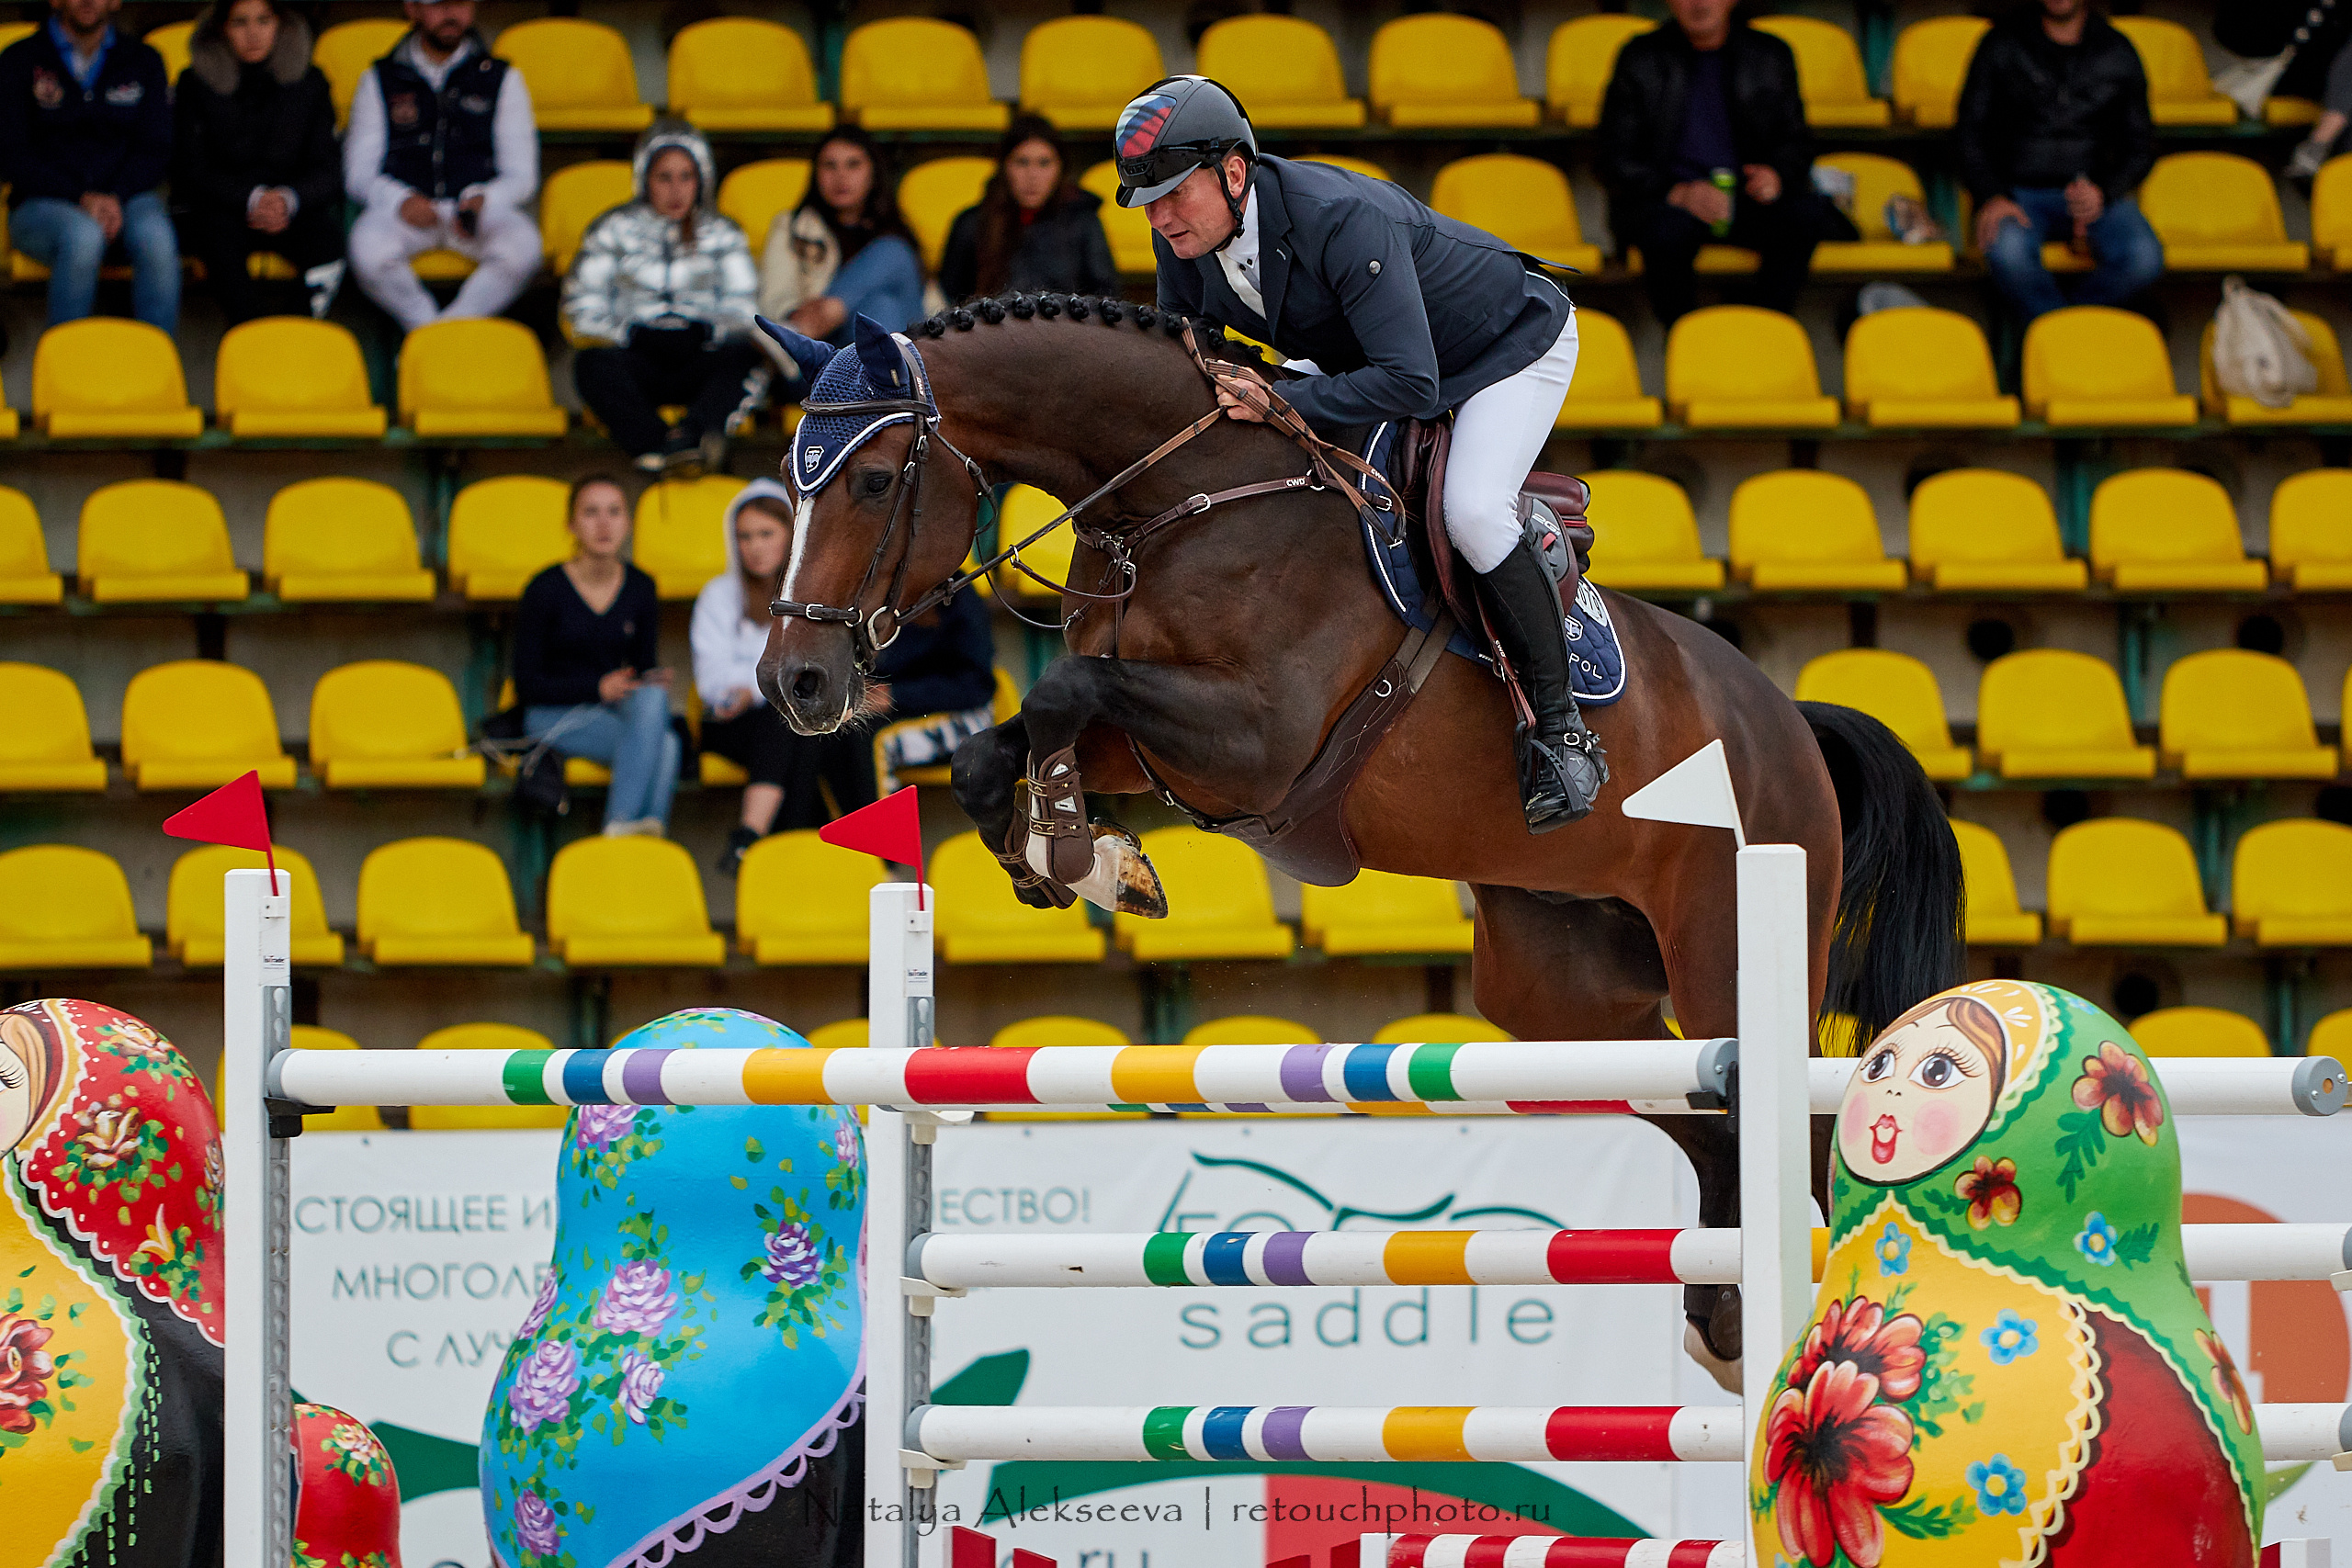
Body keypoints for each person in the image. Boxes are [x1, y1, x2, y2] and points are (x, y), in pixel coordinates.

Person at [1116, 74, 1603, 830]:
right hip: (1363, 353)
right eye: (1148, 200)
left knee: (1471, 510)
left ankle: (1562, 728)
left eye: (1175, 192)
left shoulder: (1340, 218)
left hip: (1505, 346)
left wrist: (1283, 401)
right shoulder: (1186, 239)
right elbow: (1187, 366)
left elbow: (1412, 382)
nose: (1160, 214)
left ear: (1234, 171)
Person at [695, 479, 999, 873]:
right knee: (827, 732)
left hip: (962, 712)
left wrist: (896, 696)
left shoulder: (956, 590)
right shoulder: (872, 589)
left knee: (871, 741)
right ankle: (833, 859)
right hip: (883, 707)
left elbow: (977, 683)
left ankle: (887, 865)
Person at [1597, 0, 1819, 326]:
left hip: (1746, 199)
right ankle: (1687, 343)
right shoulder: (1640, 57)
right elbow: (1613, 156)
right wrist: (1679, 193)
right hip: (1669, 201)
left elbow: (1797, 141)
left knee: (1805, 217)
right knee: (1664, 236)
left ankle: (1766, 333)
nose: (1699, 3)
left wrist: (1777, 175)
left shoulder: (1770, 55)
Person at [565, 119, 766, 476]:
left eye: (686, 176)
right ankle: (659, 444)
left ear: (701, 179)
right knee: (590, 365)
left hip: (700, 354)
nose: (676, 190)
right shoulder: (611, 228)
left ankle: (692, 435)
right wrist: (631, 333)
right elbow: (580, 306)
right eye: (664, 177)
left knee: (750, 356)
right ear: (645, 179)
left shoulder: (723, 232)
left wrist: (707, 332)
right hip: (635, 354)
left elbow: (747, 307)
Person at [1957, 0, 2161, 323]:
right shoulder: (2000, 44)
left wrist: (2103, 192)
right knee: (2007, 252)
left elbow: (2140, 146)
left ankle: (2059, 331)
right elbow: (1968, 134)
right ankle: (2067, 339)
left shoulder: (2117, 50)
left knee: (2144, 257)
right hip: (2017, 195)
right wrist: (1992, 196)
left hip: (2091, 195)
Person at [343, 0, 539, 332]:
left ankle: (443, 333)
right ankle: (427, 327)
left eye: (460, 3)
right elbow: (358, 172)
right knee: (366, 249)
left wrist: (485, 198)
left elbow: (522, 174)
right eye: (438, 4)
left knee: (524, 248)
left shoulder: (502, 76)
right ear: (412, 8)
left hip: (474, 212)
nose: (451, 14)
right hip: (407, 212)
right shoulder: (380, 77)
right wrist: (399, 199)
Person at [514, 475, 678, 838]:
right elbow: (526, 684)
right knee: (664, 744)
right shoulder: (545, 589)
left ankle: (624, 830)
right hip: (551, 714)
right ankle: (626, 830)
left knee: (654, 703)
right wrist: (597, 687)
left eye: (614, 512)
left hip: (612, 711)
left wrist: (647, 678)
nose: (604, 524)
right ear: (572, 525)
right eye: (591, 513)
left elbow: (641, 663)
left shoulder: (641, 587)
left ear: (628, 522)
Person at [0, 0, 176, 331]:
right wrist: (81, 196)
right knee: (84, 236)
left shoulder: (143, 60)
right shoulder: (18, 59)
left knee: (157, 238)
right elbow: (12, 155)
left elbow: (156, 148)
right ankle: (65, 369)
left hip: (126, 199)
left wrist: (114, 196)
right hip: (42, 203)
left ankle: (155, 369)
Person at [172, 0, 344, 324]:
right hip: (223, 210)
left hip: (290, 208)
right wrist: (252, 199)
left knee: (328, 242)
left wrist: (287, 199)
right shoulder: (194, 84)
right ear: (222, 28)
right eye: (240, 22)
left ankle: (295, 336)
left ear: (280, 24)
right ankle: (250, 338)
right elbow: (191, 169)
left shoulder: (310, 83)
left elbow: (328, 169)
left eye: (263, 21)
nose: (253, 33)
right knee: (216, 238)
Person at [757, 127, 929, 356]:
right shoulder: (792, 226)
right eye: (830, 165)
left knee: (890, 269)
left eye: (853, 165)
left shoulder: (896, 229)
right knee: (882, 302)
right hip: (829, 348)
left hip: (897, 343)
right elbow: (774, 299)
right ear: (816, 173)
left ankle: (809, 326)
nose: (841, 177)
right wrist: (793, 315)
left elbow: (925, 304)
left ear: (873, 173)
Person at [937, 113, 1120, 303]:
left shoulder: (1083, 222)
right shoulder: (971, 224)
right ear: (1004, 166)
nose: (1032, 175)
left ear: (1060, 168)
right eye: (1022, 162)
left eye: (1044, 163)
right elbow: (952, 300)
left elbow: (1105, 299)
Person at [2215, 2, 2352, 179]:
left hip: (2333, 83)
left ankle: (2321, 143)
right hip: (2287, 73)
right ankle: (2322, 141)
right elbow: (2228, 31)